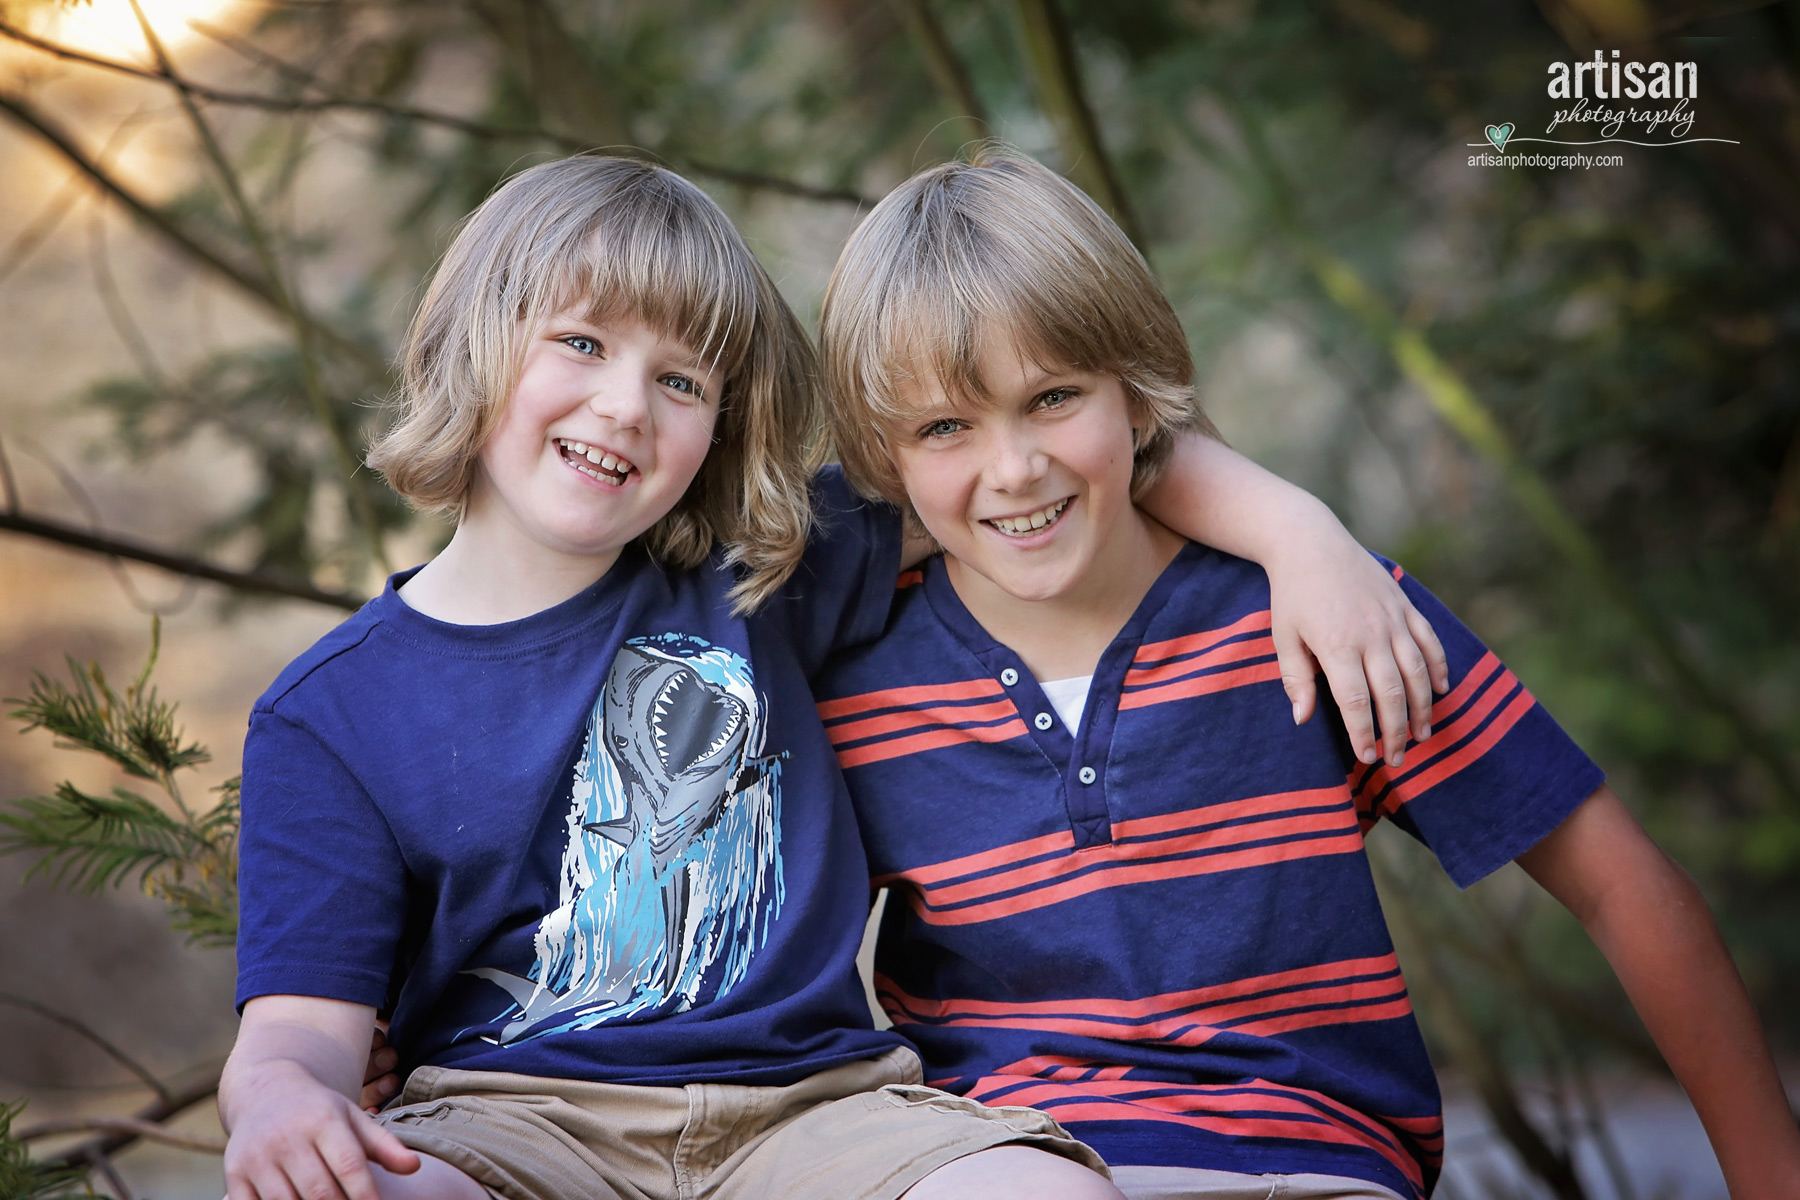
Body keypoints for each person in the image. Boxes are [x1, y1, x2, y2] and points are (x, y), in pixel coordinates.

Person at [224, 154, 1447, 1200]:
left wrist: (1300, 536)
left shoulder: (762, 573)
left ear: (721, 423)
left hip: (818, 1113)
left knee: (1039, 1187)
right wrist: (280, 1099)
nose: (625, 405)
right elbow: (297, 1030)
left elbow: (1061, 457)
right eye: (583, 343)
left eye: (682, 380)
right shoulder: (328, 716)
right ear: (470, 346)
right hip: (514, 1124)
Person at [811, 145, 1800, 1200]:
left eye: (1053, 398)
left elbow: (1621, 885)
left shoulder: (1323, 612)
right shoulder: (852, 675)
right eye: (948, 427)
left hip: (1299, 1165)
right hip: (1002, 1167)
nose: (1014, 468)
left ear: (1134, 394)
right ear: (888, 457)